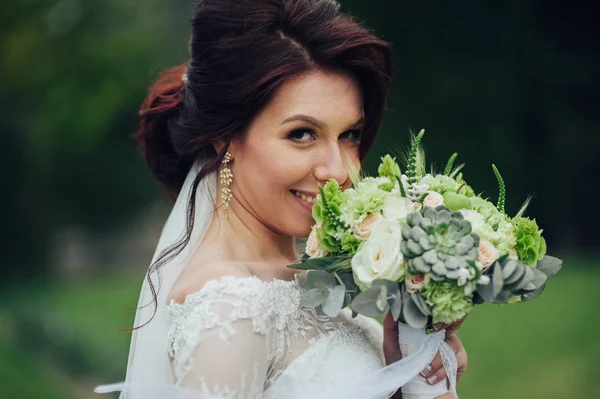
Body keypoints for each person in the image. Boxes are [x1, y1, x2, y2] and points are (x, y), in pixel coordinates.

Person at [96, 0, 467, 398]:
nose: (338, 170)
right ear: (225, 136)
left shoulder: (313, 279)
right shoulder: (229, 309)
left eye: (350, 135)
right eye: (302, 134)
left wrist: (411, 375)